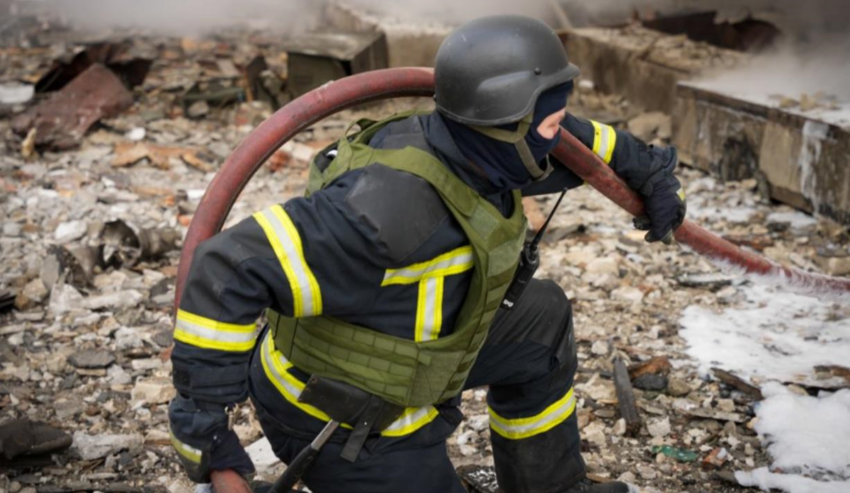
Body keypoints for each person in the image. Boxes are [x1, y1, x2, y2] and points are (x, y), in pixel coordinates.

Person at [167, 15, 686, 493]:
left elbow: (574, 139)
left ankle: (550, 485)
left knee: (541, 318)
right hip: (342, 420)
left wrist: (645, 167)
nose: (559, 142)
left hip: (416, 355)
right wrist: (209, 438)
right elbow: (226, 267)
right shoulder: (385, 214)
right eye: (549, 127)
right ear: (506, 127)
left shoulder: (478, 149)